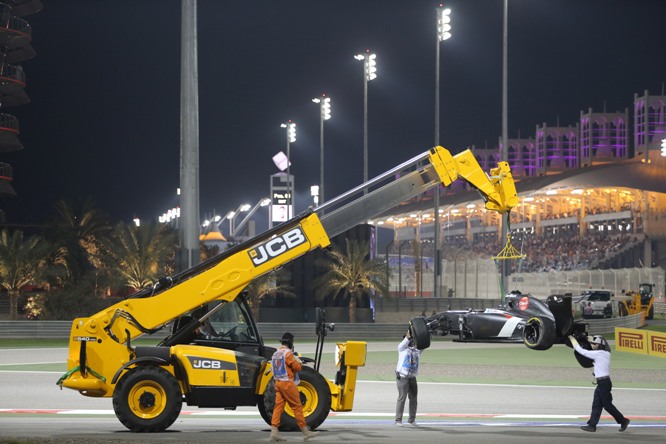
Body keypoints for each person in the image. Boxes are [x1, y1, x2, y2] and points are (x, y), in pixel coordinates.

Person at [568, 334, 630, 433]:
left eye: (595, 344)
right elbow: (600, 366)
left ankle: (623, 420)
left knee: (607, 405)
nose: (593, 346)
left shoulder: (599, 353)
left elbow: (581, 351)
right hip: (603, 382)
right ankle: (592, 425)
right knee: (596, 404)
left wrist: (573, 340)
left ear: (600, 345)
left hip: (603, 383)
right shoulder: (605, 353)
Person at [269, 332, 319, 442]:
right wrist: (298, 361)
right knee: (297, 406)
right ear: (290, 342)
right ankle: (305, 432)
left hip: (278, 383)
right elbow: (297, 367)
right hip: (288, 383)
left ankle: (274, 432)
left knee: (278, 407)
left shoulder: (276, 354)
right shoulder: (287, 354)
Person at [394, 328, 421, 426]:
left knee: (413, 399)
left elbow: (424, 345)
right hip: (402, 377)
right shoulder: (401, 349)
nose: (411, 342)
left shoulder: (417, 351)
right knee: (402, 398)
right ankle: (398, 420)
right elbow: (406, 340)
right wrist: (409, 335)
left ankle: (412, 419)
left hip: (412, 377)